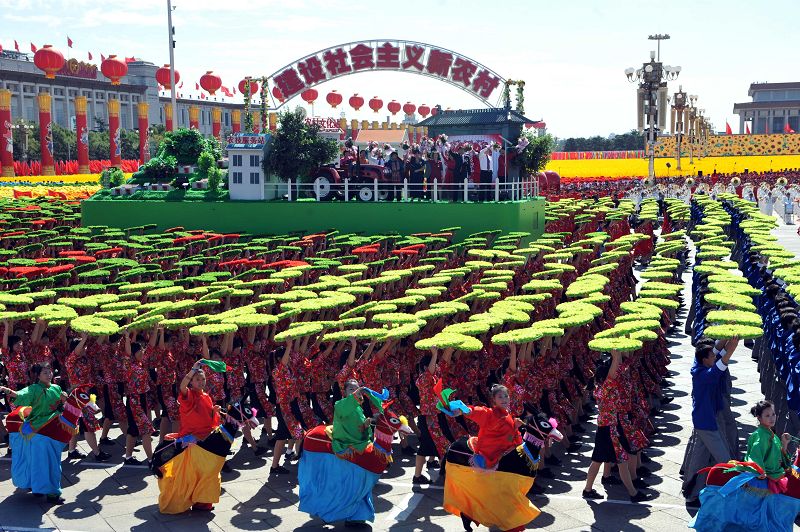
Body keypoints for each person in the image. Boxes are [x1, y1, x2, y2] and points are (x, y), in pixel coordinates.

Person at [156, 359, 224, 513]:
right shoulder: (188, 395)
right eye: (197, 379)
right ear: (191, 382)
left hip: (205, 440)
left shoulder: (206, 396)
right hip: (191, 441)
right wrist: (193, 369)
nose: (201, 382)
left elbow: (210, 420)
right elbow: (182, 386)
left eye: (203, 379)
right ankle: (187, 500)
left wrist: (215, 411)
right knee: (191, 475)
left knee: (208, 472)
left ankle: (203, 501)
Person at [682, 337, 739, 505]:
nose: (715, 358)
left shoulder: (700, 363)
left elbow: (716, 351)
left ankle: (692, 491)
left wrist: (729, 336)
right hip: (706, 423)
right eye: (712, 357)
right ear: (705, 359)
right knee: (725, 460)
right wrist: (731, 350)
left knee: (700, 458)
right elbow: (717, 369)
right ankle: (731, 495)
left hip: (706, 419)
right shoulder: (703, 375)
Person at [0, 362, 68, 504]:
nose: (49, 374)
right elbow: (20, 395)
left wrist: (64, 400)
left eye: (49, 372)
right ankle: (51, 493)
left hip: (53, 429)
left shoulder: (57, 388)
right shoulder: (34, 389)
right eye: (45, 373)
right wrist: (7, 391)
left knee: (51, 462)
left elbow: (61, 408)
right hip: (38, 431)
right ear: (37, 376)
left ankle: (39, 488)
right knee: (45, 463)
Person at [745, 400, 792, 493]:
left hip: (776, 474)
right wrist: (759, 471)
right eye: (767, 415)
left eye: (773, 414)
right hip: (766, 479)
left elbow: (780, 458)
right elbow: (755, 456)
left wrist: (784, 443)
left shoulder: (771, 434)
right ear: (759, 418)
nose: (772, 418)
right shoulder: (760, 436)